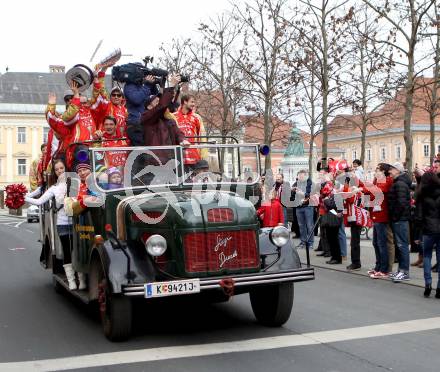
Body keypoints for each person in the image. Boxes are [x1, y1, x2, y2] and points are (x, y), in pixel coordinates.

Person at [25, 159, 85, 290]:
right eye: (57, 169)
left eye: (61, 168)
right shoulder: (54, 188)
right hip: (62, 223)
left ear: (66, 168)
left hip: (77, 223)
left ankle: (82, 280)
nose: (59, 171)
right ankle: (72, 281)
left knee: (78, 251)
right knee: (67, 251)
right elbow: (39, 201)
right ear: (55, 172)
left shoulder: (77, 182)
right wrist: (22, 197)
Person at [365, 163, 394, 278]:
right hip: (375, 214)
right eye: (376, 170)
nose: (376, 172)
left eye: (378, 170)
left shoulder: (386, 181)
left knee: (382, 244)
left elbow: (376, 191)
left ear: (384, 172)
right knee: (376, 242)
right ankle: (378, 266)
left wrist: (362, 187)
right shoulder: (376, 181)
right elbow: (369, 194)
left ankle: (384, 269)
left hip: (382, 216)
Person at [415, 172, 440, 298]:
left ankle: (428, 284)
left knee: (427, 257)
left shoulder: (421, 195)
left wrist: (418, 235)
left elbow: (418, 217)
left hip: (427, 230)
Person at [388, 162, 412, 282]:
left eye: (392, 169)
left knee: (402, 245)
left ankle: (404, 272)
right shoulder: (398, 183)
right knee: (400, 245)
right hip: (399, 219)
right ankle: (400, 270)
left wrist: (395, 217)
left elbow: (401, 204)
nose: (389, 171)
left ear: (397, 170)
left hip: (400, 219)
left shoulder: (400, 184)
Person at [91, 67, 128, 138]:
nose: (116, 97)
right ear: (110, 97)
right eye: (113, 95)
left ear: (122, 98)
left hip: (120, 141)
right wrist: (102, 72)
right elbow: (102, 90)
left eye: (119, 95)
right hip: (105, 139)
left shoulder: (125, 110)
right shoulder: (107, 105)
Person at [124, 73, 159, 145]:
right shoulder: (129, 86)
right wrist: (147, 85)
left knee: (148, 151)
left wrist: (153, 84)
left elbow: (154, 97)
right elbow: (136, 99)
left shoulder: (142, 87)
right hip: (135, 125)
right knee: (140, 152)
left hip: (144, 123)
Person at [174, 94, 207, 168]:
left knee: (195, 179)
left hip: (194, 157)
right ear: (185, 102)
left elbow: (202, 136)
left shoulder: (197, 117)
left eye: (194, 102)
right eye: (192, 102)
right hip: (178, 157)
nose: (193, 104)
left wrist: (204, 155)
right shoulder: (173, 116)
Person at [292, 170, 314, 250]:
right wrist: (292, 191)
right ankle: (303, 242)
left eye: (301, 176)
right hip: (298, 207)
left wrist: (303, 194)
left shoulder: (310, 183)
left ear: (306, 176)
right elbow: (292, 195)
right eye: (299, 176)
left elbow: (312, 195)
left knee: (309, 225)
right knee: (301, 226)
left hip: (308, 206)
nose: (300, 178)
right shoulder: (296, 183)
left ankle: (310, 243)